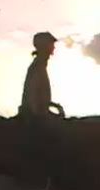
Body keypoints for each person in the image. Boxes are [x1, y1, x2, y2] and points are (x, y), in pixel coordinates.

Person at [17, 32, 66, 169]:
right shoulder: (37, 67)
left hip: (37, 112)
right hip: (34, 114)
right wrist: (42, 113)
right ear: (45, 46)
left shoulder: (40, 65)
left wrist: (51, 105)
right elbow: (33, 95)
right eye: (52, 44)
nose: (53, 48)